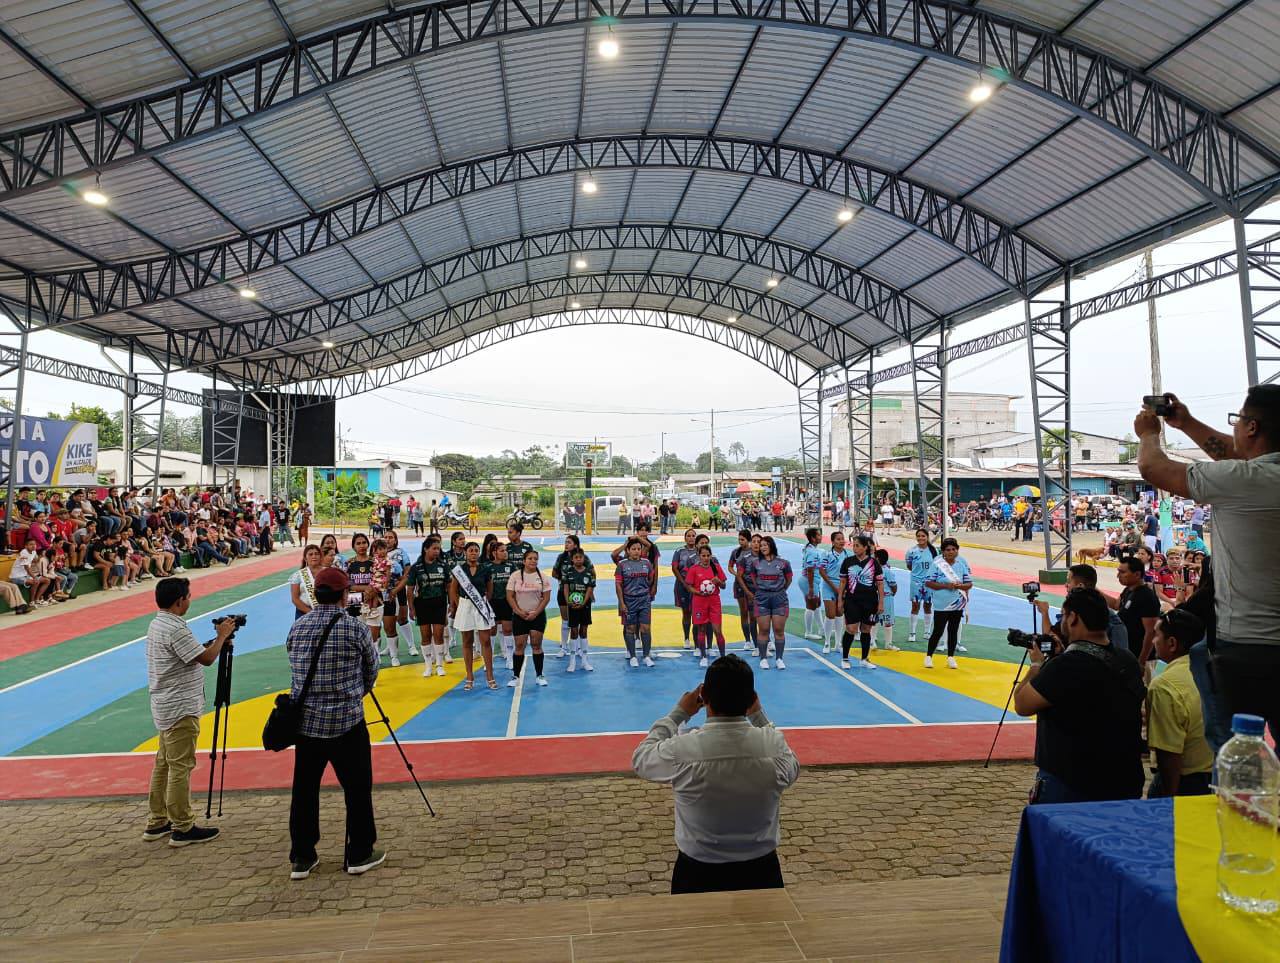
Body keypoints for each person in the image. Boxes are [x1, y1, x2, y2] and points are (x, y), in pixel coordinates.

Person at [1135, 387, 1280, 749]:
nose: (1234, 428)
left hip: (1247, 646)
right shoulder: (1252, 477)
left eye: (1238, 421)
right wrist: (1186, 423)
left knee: (1236, 751)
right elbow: (1246, 455)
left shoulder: (1242, 480)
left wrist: (1149, 433)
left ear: (1252, 427)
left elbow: (1154, 468)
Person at [632, 655, 800, 894]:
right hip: (762, 871)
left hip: (697, 873)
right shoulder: (773, 745)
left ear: (703, 696)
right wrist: (759, 717)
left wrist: (678, 714)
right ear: (752, 699)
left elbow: (641, 759)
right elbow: (793, 767)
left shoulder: (682, 749)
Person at [284, 566, 384, 879]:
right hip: (347, 722)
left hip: (307, 724)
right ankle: (359, 853)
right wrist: (353, 694)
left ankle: (302, 856)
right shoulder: (354, 628)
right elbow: (372, 670)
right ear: (344, 595)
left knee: (304, 791)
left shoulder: (298, 628)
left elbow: (294, 667)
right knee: (357, 789)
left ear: (316, 594)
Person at [1014, 588, 1146, 804]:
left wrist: (1037, 665)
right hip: (1122, 777)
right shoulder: (1127, 660)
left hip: (1070, 783)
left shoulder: (1064, 666)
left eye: (1064, 615)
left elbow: (1022, 704)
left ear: (1073, 618)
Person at [143, 577, 234, 847]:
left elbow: (191, 653)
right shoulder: (175, 629)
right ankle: (182, 826)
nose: (190, 600)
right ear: (179, 600)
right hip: (181, 706)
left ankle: (157, 820)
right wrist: (221, 637)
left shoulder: (158, 623)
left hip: (165, 704)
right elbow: (206, 659)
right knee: (180, 766)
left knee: (164, 764)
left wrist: (215, 642)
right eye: (189, 596)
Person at [1146, 609, 1212, 798]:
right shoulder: (1215, 670)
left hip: (1186, 782)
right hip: (1218, 776)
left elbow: (1168, 755)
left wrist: (1168, 800)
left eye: (1156, 635)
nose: (1153, 641)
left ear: (1172, 643)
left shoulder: (1164, 686)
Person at [1034, 564, 1127, 649]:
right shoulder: (1111, 617)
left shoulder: (1072, 613)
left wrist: (1044, 613)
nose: (1066, 585)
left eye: (1069, 581)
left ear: (1080, 586)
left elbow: (1050, 641)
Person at [397, 538, 451, 679]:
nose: (437, 551)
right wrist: (411, 608)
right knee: (425, 635)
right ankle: (428, 666)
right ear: (426, 549)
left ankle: (439, 665)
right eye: (434, 548)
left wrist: (451, 603)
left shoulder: (443, 566)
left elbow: (449, 586)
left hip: (439, 603)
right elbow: (410, 589)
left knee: (438, 635)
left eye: (438, 548)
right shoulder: (416, 567)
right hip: (422, 604)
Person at [449, 541, 496, 691]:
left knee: (486, 640)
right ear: (465, 552)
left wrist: (484, 601)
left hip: (481, 605)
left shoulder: (485, 569)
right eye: (471, 550)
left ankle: (490, 676)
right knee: (467, 641)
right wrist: (460, 604)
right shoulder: (459, 570)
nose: (474, 553)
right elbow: (453, 590)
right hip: (465, 605)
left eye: (476, 550)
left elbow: (490, 588)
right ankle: (469, 676)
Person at [922, 537, 971, 670]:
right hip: (941, 604)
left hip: (957, 603)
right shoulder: (937, 565)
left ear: (957, 551)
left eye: (953, 549)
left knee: (953, 631)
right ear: (943, 551)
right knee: (938, 630)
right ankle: (929, 656)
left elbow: (969, 583)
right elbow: (929, 582)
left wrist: (960, 586)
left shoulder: (961, 565)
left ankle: (950, 657)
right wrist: (946, 585)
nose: (951, 552)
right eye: (948, 550)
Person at [745, 535, 792, 670]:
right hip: (762, 599)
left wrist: (779, 590)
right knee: (764, 629)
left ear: (771, 546)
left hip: (779, 598)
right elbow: (754, 580)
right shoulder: (755, 563)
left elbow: (788, 579)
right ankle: (763, 659)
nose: (762, 547)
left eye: (765, 545)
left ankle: (779, 659)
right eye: (761, 545)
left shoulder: (784, 563)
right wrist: (763, 590)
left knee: (779, 630)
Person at [507, 548, 551, 686]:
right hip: (519, 616)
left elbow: (546, 598)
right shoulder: (515, 576)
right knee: (519, 645)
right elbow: (510, 596)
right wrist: (518, 611)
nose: (533, 561)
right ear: (524, 561)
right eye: (530, 558)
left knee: (536, 645)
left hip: (537, 616)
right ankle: (516, 676)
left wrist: (536, 612)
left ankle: (539, 675)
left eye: (535, 559)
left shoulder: (543, 577)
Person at [838, 534, 883, 671]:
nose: (854, 548)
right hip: (852, 600)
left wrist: (881, 602)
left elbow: (880, 584)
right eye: (854, 545)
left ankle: (864, 659)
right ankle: (845, 658)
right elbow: (843, 582)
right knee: (851, 629)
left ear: (865, 547)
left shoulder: (874, 563)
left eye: (857, 545)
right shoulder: (848, 562)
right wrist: (840, 600)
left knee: (866, 629)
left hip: (870, 601)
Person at [1111, 556, 1161, 669]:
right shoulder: (1128, 590)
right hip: (1128, 653)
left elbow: (1151, 632)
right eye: (1118, 571)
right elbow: (1116, 605)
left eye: (1122, 572)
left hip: (1140, 657)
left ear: (1137, 574)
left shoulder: (1146, 597)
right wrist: (1093, 589)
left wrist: (1141, 661)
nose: (1118, 575)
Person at [616, 537, 658, 667]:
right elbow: (618, 585)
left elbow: (651, 579)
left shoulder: (647, 563)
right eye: (633, 549)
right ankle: (633, 656)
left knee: (646, 628)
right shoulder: (622, 565)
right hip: (629, 601)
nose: (636, 551)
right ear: (628, 550)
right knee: (630, 628)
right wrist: (622, 602)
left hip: (644, 600)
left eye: (638, 549)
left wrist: (647, 592)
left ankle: (646, 656)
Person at [685, 544, 728, 667]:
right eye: (703, 556)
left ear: (711, 555)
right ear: (699, 556)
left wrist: (718, 581)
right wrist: (698, 592)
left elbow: (724, 586)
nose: (706, 558)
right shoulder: (694, 569)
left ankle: (723, 657)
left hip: (714, 601)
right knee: (702, 629)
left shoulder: (716, 567)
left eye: (708, 555)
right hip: (699, 601)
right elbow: (688, 586)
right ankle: (703, 656)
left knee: (718, 630)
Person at [561, 548, 596, 673]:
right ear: (572, 559)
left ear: (583, 558)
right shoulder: (568, 572)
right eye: (576, 557)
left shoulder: (589, 573)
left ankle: (585, 661)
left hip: (585, 606)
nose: (578, 559)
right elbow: (565, 588)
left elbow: (590, 589)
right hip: (572, 606)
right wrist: (568, 601)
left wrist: (583, 602)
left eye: (580, 557)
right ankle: (572, 662)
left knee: (584, 631)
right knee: (574, 631)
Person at [903, 528, 937, 644]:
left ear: (927, 537)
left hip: (929, 583)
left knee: (928, 606)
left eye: (923, 536)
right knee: (915, 606)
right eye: (918, 536)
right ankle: (912, 633)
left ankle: (927, 632)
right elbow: (909, 566)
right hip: (916, 582)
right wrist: (918, 574)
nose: (921, 538)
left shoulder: (934, 551)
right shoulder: (911, 551)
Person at [728, 530, 758, 652]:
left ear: (748, 540)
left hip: (752, 585)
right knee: (744, 612)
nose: (740, 542)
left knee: (754, 614)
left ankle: (761, 640)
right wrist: (736, 574)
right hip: (739, 584)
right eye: (739, 539)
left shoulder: (754, 551)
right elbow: (730, 566)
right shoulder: (736, 552)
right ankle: (747, 640)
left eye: (743, 540)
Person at [671, 529, 700, 650]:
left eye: (693, 536)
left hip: (697, 586)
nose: (691, 538)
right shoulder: (679, 551)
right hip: (682, 586)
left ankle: (698, 640)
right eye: (689, 536)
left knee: (697, 613)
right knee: (686, 613)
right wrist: (684, 583)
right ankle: (687, 638)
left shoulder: (700, 551)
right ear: (685, 538)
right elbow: (674, 568)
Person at [870, 549, 901, 651]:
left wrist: (891, 594)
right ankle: (876, 642)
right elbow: (893, 586)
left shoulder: (886, 571)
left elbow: (893, 585)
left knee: (883, 621)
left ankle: (883, 643)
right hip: (882, 597)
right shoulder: (876, 570)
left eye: (874, 557)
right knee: (878, 619)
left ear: (878, 559)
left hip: (883, 597)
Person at [290, 544, 325, 620]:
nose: (314, 556)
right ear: (305, 558)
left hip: (325, 611)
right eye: (310, 554)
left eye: (316, 554)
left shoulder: (328, 572)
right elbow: (295, 599)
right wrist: (311, 612)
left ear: (320, 556)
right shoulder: (298, 575)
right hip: (303, 612)